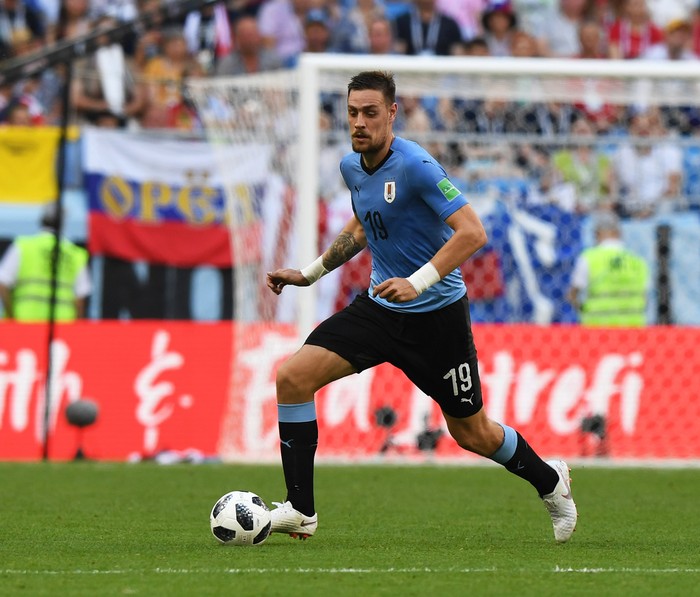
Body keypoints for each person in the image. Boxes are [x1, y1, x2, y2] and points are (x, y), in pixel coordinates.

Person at [265, 71, 578, 543]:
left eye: (370, 113)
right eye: (352, 113)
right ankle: (301, 510)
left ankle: (551, 481)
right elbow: (361, 227)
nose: (359, 123)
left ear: (392, 113)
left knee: (473, 434)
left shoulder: (416, 165)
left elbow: (473, 232)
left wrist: (418, 282)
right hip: (380, 308)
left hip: (437, 319)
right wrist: (308, 274)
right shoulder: (353, 167)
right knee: (292, 378)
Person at [0, 204, 91, 321]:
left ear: (41, 220)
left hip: (24, 323)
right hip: (62, 328)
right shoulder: (75, 254)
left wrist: (10, 315)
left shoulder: (22, 247)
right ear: (63, 223)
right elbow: (80, 299)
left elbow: (3, 284)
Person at [567, 212, 649, 326]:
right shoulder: (637, 261)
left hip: (599, 329)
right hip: (632, 329)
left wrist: (584, 311)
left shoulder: (588, 258)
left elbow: (572, 295)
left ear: (597, 233)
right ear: (619, 233)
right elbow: (644, 299)